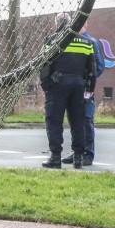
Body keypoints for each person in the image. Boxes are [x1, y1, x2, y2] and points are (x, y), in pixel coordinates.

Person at [40, 29, 96, 169]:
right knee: (78, 122)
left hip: (57, 84)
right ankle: (78, 158)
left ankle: (55, 157)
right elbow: (92, 68)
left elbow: (43, 64)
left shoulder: (52, 40)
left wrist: (46, 85)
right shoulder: (86, 42)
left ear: (57, 24)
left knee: (54, 121)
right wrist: (89, 89)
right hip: (78, 85)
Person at [78, 28, 106, 164]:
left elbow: (99, 66)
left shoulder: (91, 42)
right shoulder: (71, 41)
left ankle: (88, 154)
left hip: (85, 88)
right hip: (75, 87)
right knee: (76, 121)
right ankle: (77, 152)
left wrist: (88, 81)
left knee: (86, 120)